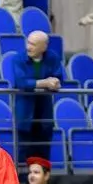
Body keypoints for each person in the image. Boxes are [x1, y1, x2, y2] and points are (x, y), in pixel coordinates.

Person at [6, 32, 63, 164]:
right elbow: (22, 82)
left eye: (33, 44)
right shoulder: (18, 59)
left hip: (44, 114)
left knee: (43, 155)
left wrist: (55, 82)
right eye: (28, 43)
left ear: (44, 47)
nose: (28, 47)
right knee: (23, 155)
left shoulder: (52, 58)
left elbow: (59, 77)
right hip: (25, 115)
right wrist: (46, 83)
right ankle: (23, 177)